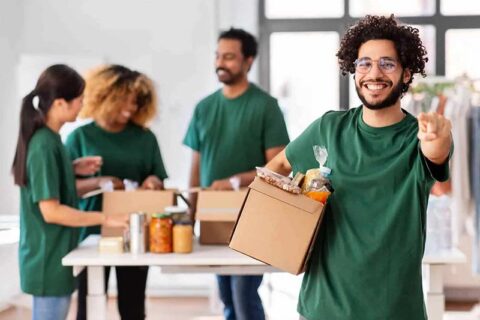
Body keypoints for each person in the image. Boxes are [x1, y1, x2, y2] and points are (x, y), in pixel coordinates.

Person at [265, 15, 453, 320]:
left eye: (387, 64)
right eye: (364, 63)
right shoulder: (329, 128)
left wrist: (437, 139)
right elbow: (280, 165)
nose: (374, 73)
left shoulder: (417, 137)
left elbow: (436, 153)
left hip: (394, 311)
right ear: (353, 70)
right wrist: (285, 219)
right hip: (323, 308)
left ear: (407, 74)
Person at [183, 27, 290, 320]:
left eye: (229, 57)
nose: (221, 62)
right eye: (218, 55)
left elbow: (279, 169)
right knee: (228, 296)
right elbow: (196, 168)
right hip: (214, 218)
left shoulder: (266, 107)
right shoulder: (204, 108)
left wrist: (235, 181)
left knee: (243, 296)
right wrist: (189, 215)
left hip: (254, 217)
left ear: (248, 61)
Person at [11, 64, 129, 320]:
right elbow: (51, 211)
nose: (83, 106)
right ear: (60, 103)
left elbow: (49, 185)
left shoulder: (52, 140)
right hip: (47, 258)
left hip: (55, 255)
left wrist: (72, 168)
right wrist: (105, 219)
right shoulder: (44, 144)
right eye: (79, 100)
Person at [65, 64, 168, 320]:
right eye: (125, 100)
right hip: (90, 233)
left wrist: (153, 182)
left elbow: (156, 176)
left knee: (132, 307)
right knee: (88, 306)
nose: (131, 108)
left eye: (136, 102)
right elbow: (65, 190)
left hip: (133, 230)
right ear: (105, 97)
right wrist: (99, 182)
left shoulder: (145, 138)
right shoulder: (79, 137)